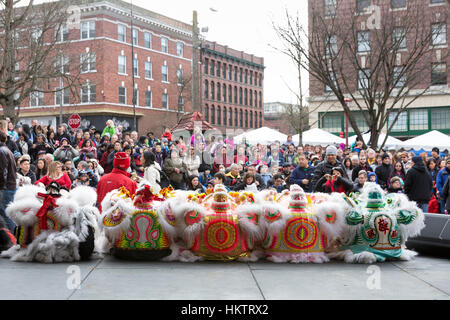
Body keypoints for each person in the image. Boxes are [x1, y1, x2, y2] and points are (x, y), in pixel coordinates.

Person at [0, 130, 18, 232]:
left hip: (5, 188)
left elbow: (3, 172)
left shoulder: (1, 151)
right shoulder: (6, 150)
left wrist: (2, 186)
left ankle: (12, 239)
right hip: (10, 187)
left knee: (6, 215)